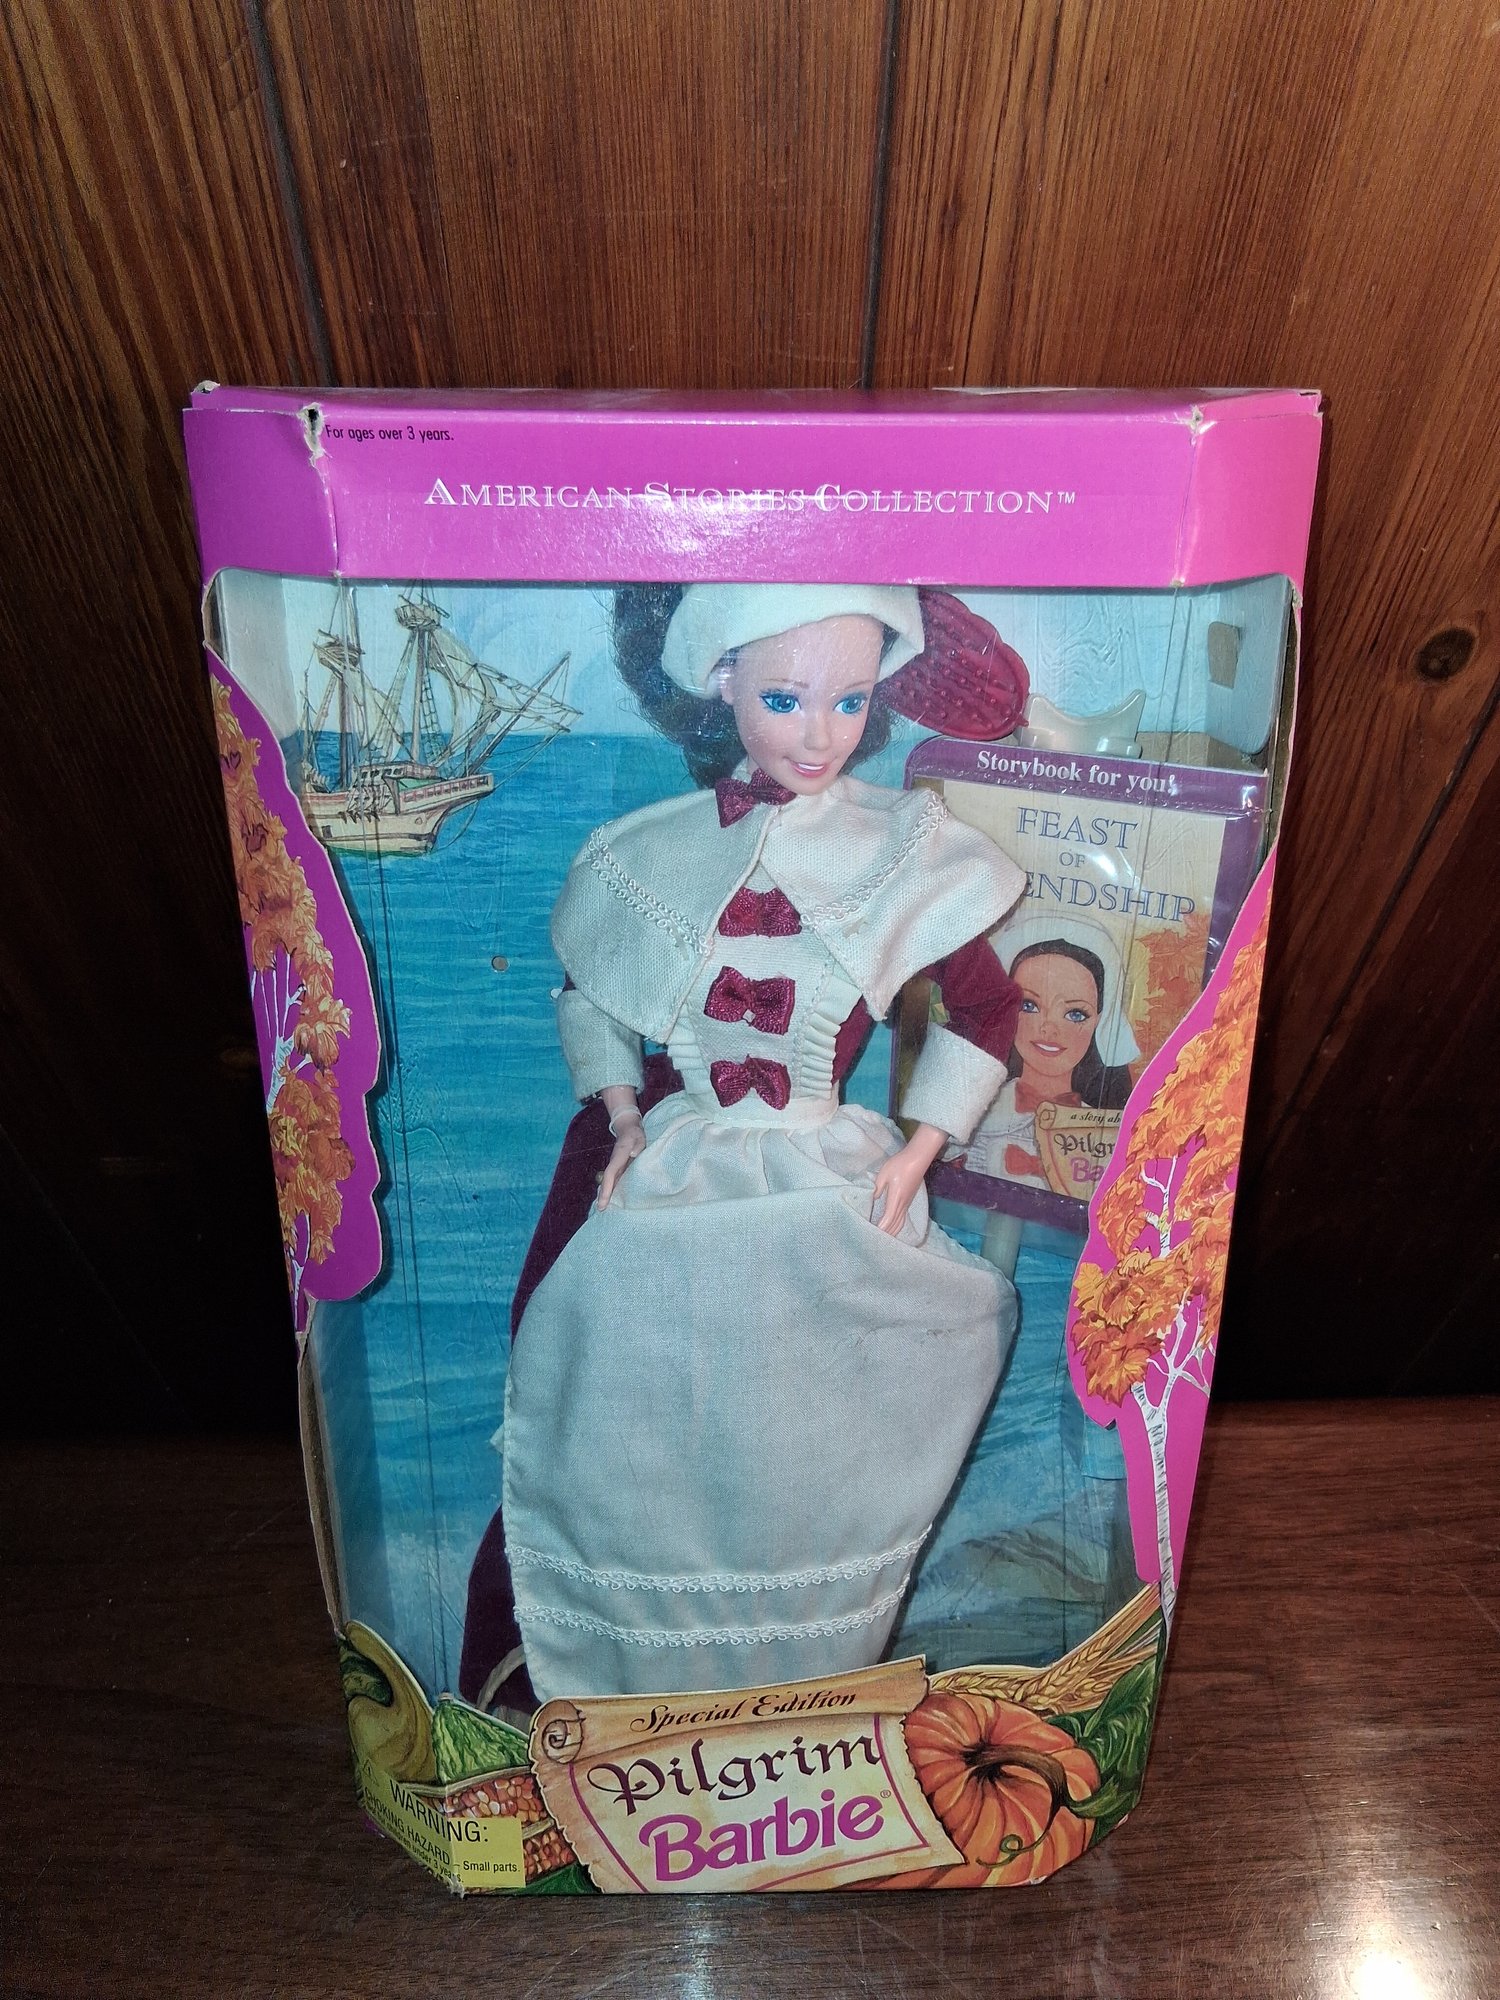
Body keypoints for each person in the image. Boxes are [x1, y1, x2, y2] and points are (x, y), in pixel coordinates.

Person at [472, 584, 1031, 1705]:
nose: (820, 734)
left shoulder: (900, 848)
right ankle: (627, 1683)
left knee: (807, 1453)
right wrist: (623, 1116)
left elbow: (988, 1009)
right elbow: (589, 994)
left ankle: (795, 1692)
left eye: (850, 701)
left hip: (828, 1175)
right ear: (723, 681)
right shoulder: (650, 853)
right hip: (683, 1171)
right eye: (785, 698)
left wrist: (917, 1152)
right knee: (642, 1429)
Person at [961, 918, 1138, 1191]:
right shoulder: (976, 1110)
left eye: (1075, 1014)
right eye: (1029, 1005)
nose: (1048, 1028)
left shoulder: (1105, 1131)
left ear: (1099, 1021)